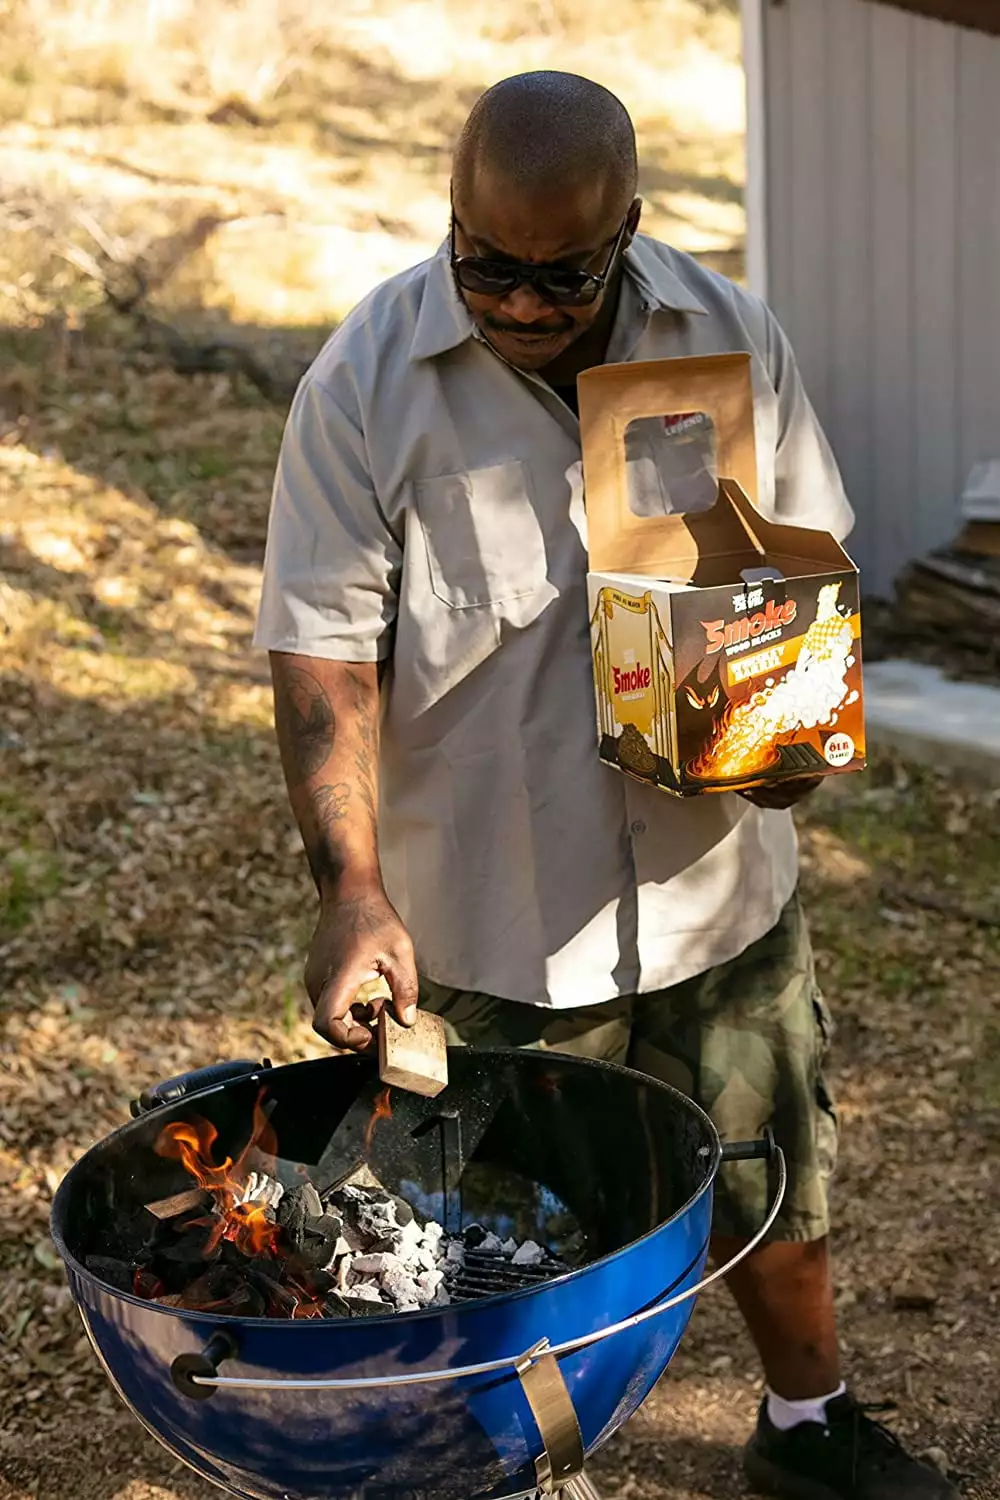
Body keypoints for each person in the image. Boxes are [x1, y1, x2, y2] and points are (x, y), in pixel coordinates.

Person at [254, 71, 955, 1500]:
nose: (518, 304)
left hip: (715, 895)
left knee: (770, 1174)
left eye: (561, 275)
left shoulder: (730, 336)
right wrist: (354, 890)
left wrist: (792, 732)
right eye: (486, 267)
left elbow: (804, 569)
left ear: (627, 229)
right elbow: (322, 658)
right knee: (502, 1232)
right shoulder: (365, 384)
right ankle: (514, 1472)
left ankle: (808, 1427)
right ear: (452, 218)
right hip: (495, 919)